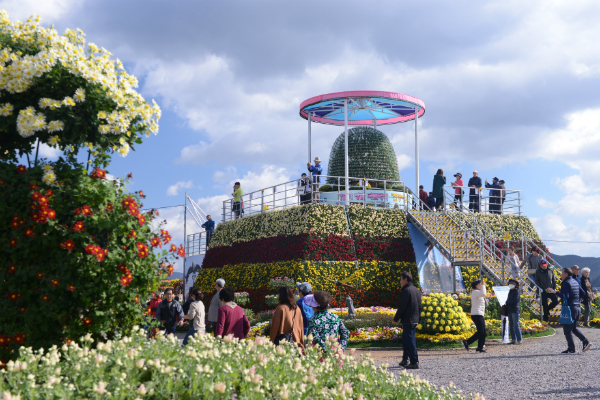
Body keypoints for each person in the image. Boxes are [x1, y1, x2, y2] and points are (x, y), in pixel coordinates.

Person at [548, 268, 592, 354]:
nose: (561, 275)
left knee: (567, 329)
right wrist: (577, 299)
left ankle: (572, 348)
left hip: (570, 308)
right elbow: (583, 293)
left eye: (562, 273)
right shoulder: (575, 281)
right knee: (574, 328)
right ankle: (585, 341)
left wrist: (554, 292)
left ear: (566, 274)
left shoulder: (566, 283)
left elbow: (566, 296)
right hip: (577, 307)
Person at [393, 271, 423, 369]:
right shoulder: (417, 290)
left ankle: (414, 361)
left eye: (401, 279)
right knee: (406, 339)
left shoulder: (406, 290)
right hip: (413, 320)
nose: (400, 281)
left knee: (410, 341)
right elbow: (420, 307)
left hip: (408, 320)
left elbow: (402, 306)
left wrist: (396, 319)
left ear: (406, 279)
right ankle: (405, 359)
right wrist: (418, 320)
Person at [462, 280, 487, 353]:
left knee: (483, 332)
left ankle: (480, 347)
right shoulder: (475, 292)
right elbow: (483, 293)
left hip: (479, 314)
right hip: (476, 314)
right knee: (481, 331)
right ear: (476, 285)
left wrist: (483, 286)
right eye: (480, 284)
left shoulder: (478, 292)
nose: (481, 284)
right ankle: (467, 342)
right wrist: (483, 286)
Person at [505, 279, 523, 344]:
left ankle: (519, 339)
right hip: (510, 310)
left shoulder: (517, 291)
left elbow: (516, 300)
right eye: (509, 284)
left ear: (515, 285)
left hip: (515, 310)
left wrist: (507, 302)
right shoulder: (510, 291)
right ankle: (513, 339)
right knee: (511, 325)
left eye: (512, 284)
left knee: (516, 325)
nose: (510, 285)